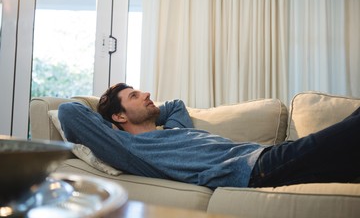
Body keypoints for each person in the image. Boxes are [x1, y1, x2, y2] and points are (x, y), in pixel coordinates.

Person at [58, 83, 360, 188]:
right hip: (255, 168)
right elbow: (70, 112)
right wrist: (111, 128)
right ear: (119, 117)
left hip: (273, 155)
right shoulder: (131, 148)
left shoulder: (175, 131)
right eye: (135, 96)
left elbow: (175, 105)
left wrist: (147, 112)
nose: (147, 93)